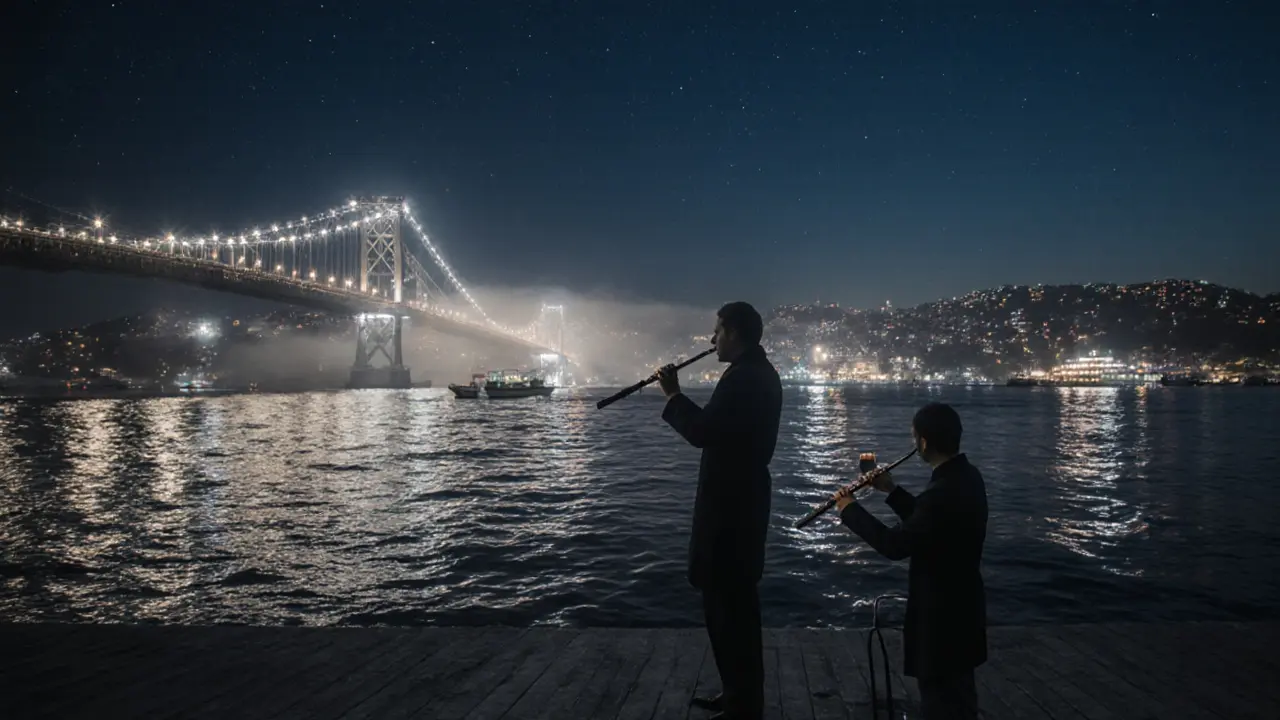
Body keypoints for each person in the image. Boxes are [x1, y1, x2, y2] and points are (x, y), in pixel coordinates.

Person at [656, 301, 782, 720]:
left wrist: (673, 395)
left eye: (717, 332)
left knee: (730, 615)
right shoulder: (755, 374)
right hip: (742, 506)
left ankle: (742, 708)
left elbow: (704, 431)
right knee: (735, 614)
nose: (711, 341)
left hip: (731, 512)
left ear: (734, 334)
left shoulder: (745, 378)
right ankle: (738, 698)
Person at [833, 402, 988, 720]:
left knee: (942, 704)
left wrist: (849, 509)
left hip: (941, 618)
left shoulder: (941, 493)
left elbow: (894, 544)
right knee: (959, 699)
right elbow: (929, 525)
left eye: (913, 436)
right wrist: (889, 489)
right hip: (964, 609)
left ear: (923, 442)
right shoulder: (967, 478)